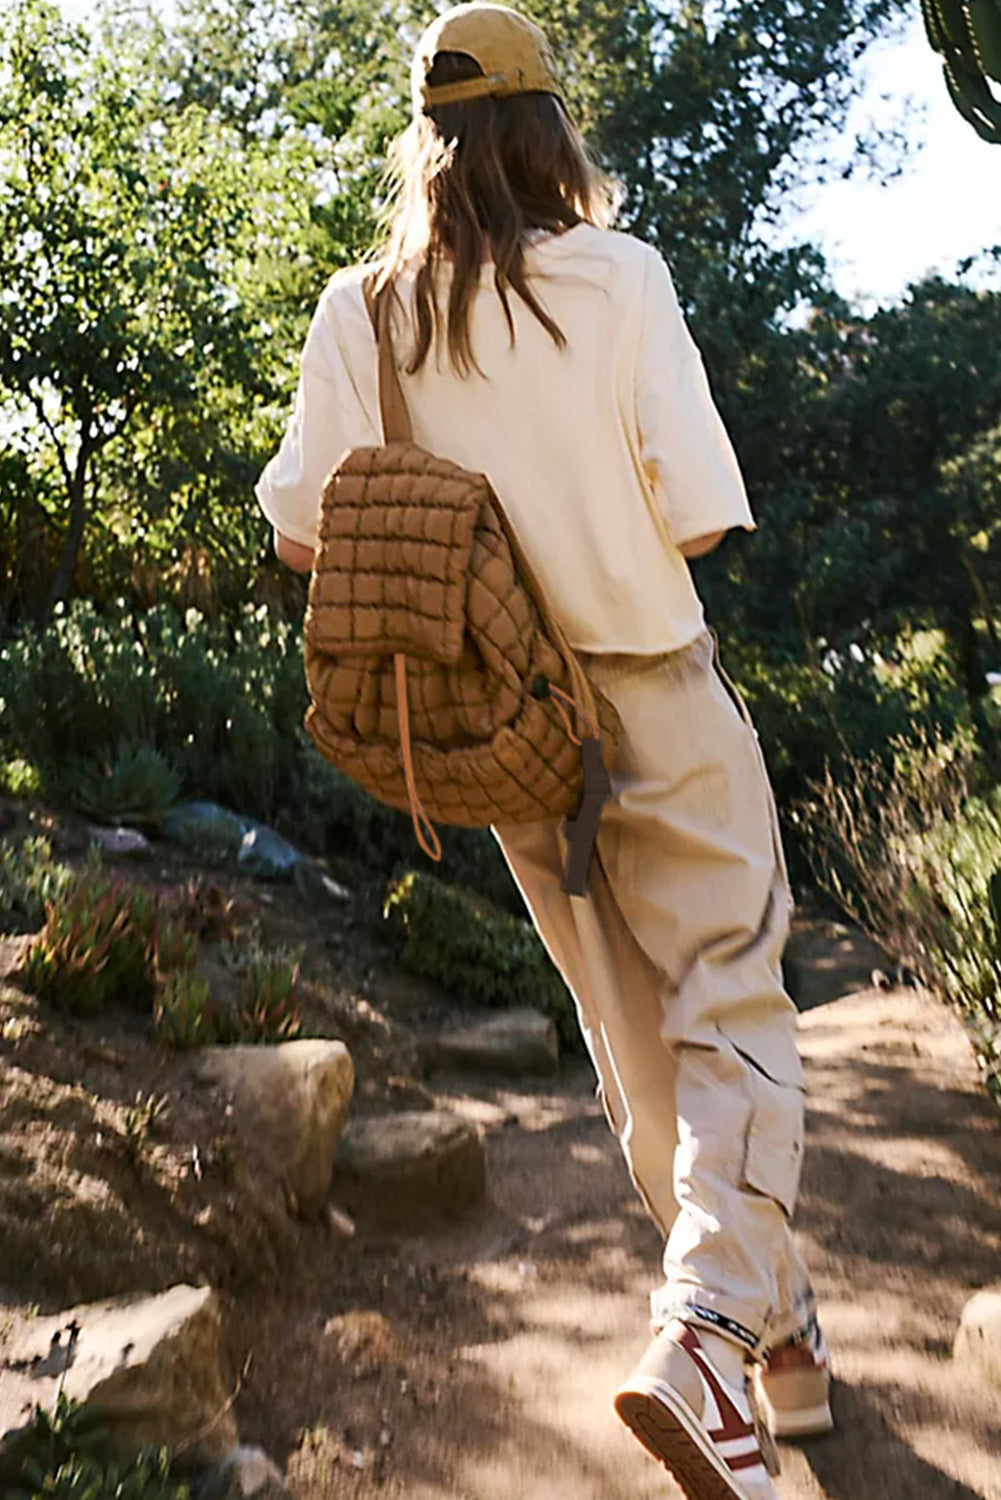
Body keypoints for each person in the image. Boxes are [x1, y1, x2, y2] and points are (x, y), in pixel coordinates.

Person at [256, 6, 833, 1497]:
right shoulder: (618, 278)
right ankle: (713, 1334)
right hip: (650, 694)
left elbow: (302, 527)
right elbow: (700, 515)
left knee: (639, 1052)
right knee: (733, 1011)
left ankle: (776, 1351)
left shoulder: (361, 310)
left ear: (425, 138)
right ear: (545, 128)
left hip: (502, 732)